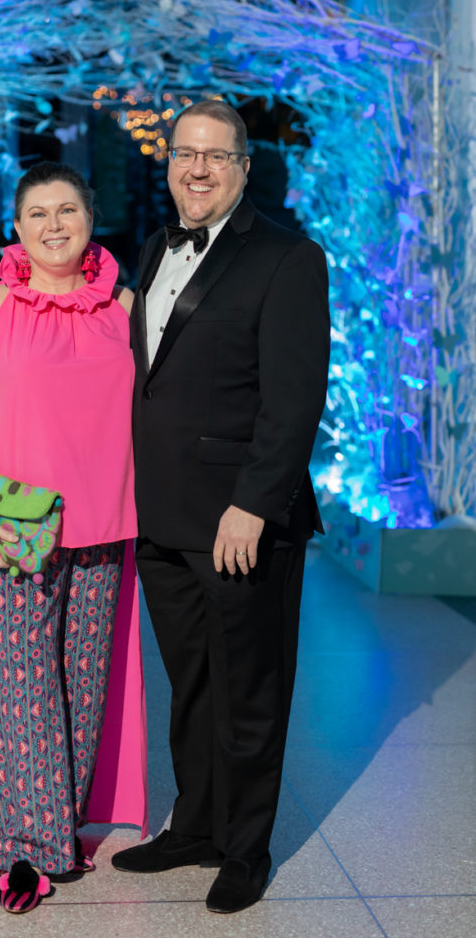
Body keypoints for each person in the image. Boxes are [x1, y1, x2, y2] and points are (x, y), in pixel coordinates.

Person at [111, 101, 330, 914]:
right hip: (163, 518)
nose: (196, 169)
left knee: (250, 691)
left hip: (241, 524)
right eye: (183, 155)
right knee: (193, 684)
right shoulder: (154, 247)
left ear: (243, 167)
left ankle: (245, 848)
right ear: (167, 164)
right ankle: (196, 826)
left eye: (215, 156)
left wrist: (254, 503)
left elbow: (294, 398)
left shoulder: (287, 257)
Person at [0, 162, 147, 914]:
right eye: (37, 215)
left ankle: (50, 827)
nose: (54, 225)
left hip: (104, 528)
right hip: (12, 532)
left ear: (90, 217)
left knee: (81, 691)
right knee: (21, 687)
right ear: (16, 229)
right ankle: (24, 851)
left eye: (67, 210)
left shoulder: (123, 306)